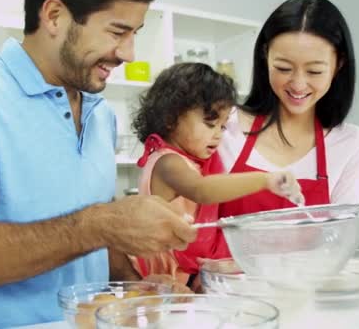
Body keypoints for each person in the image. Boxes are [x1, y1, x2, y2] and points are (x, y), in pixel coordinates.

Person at [0, 0, 198, 327]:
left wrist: (136, 286)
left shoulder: (100, 114)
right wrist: (100, 223)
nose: (129, 53)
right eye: (118, 32)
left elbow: (99, 240)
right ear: (54, 16)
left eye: (135, 34)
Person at [216, 0, 359, 257]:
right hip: (229, 293)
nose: (298, 85)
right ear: (265, 57)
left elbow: (339, 244)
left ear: (339, 65)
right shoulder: (222, 126)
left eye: (314, 72)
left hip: (307, 292)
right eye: (284, 68)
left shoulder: (351, 143)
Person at [127, 62, 303, 290]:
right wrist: (265, 180)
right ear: (170, 118)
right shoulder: (167, 162)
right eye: (210, 124)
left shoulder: (193, 161)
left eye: (222, 127)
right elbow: (201, 190)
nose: (218, 135)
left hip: (185, 275)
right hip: (163, 279)